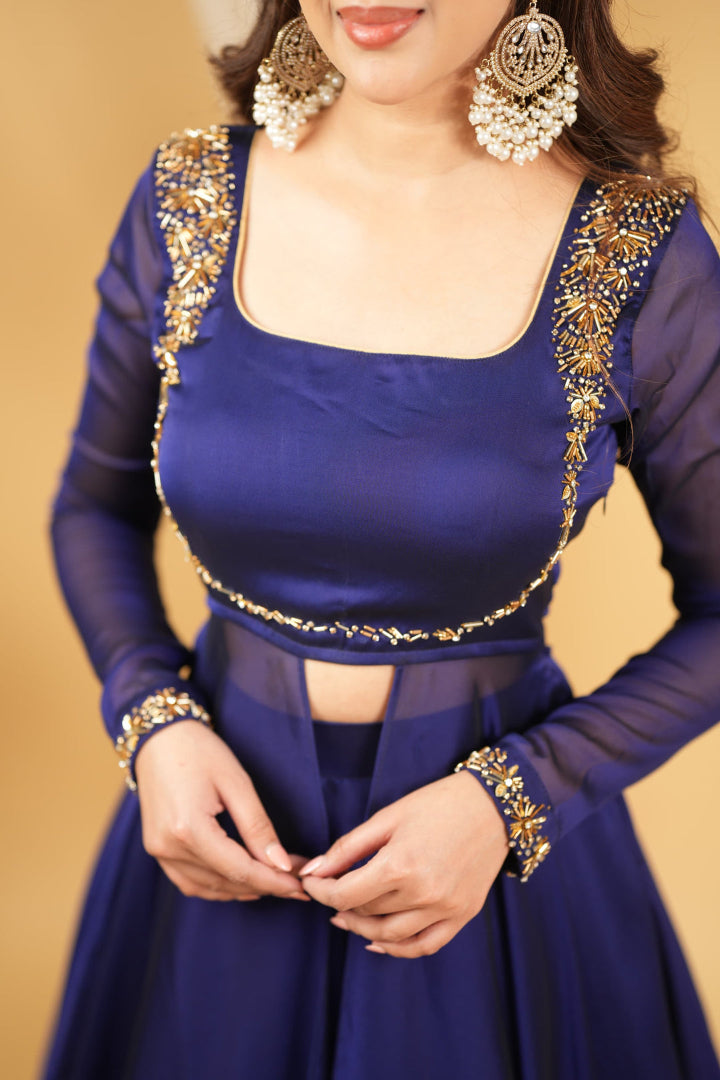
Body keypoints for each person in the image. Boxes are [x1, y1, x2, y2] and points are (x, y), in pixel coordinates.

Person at [41, 1, 720, 1077]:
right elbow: (92, 506)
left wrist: (515, 800)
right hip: (210, 860)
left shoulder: (636, 253)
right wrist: (151, 720)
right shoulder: (190, 196)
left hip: (491, 892)